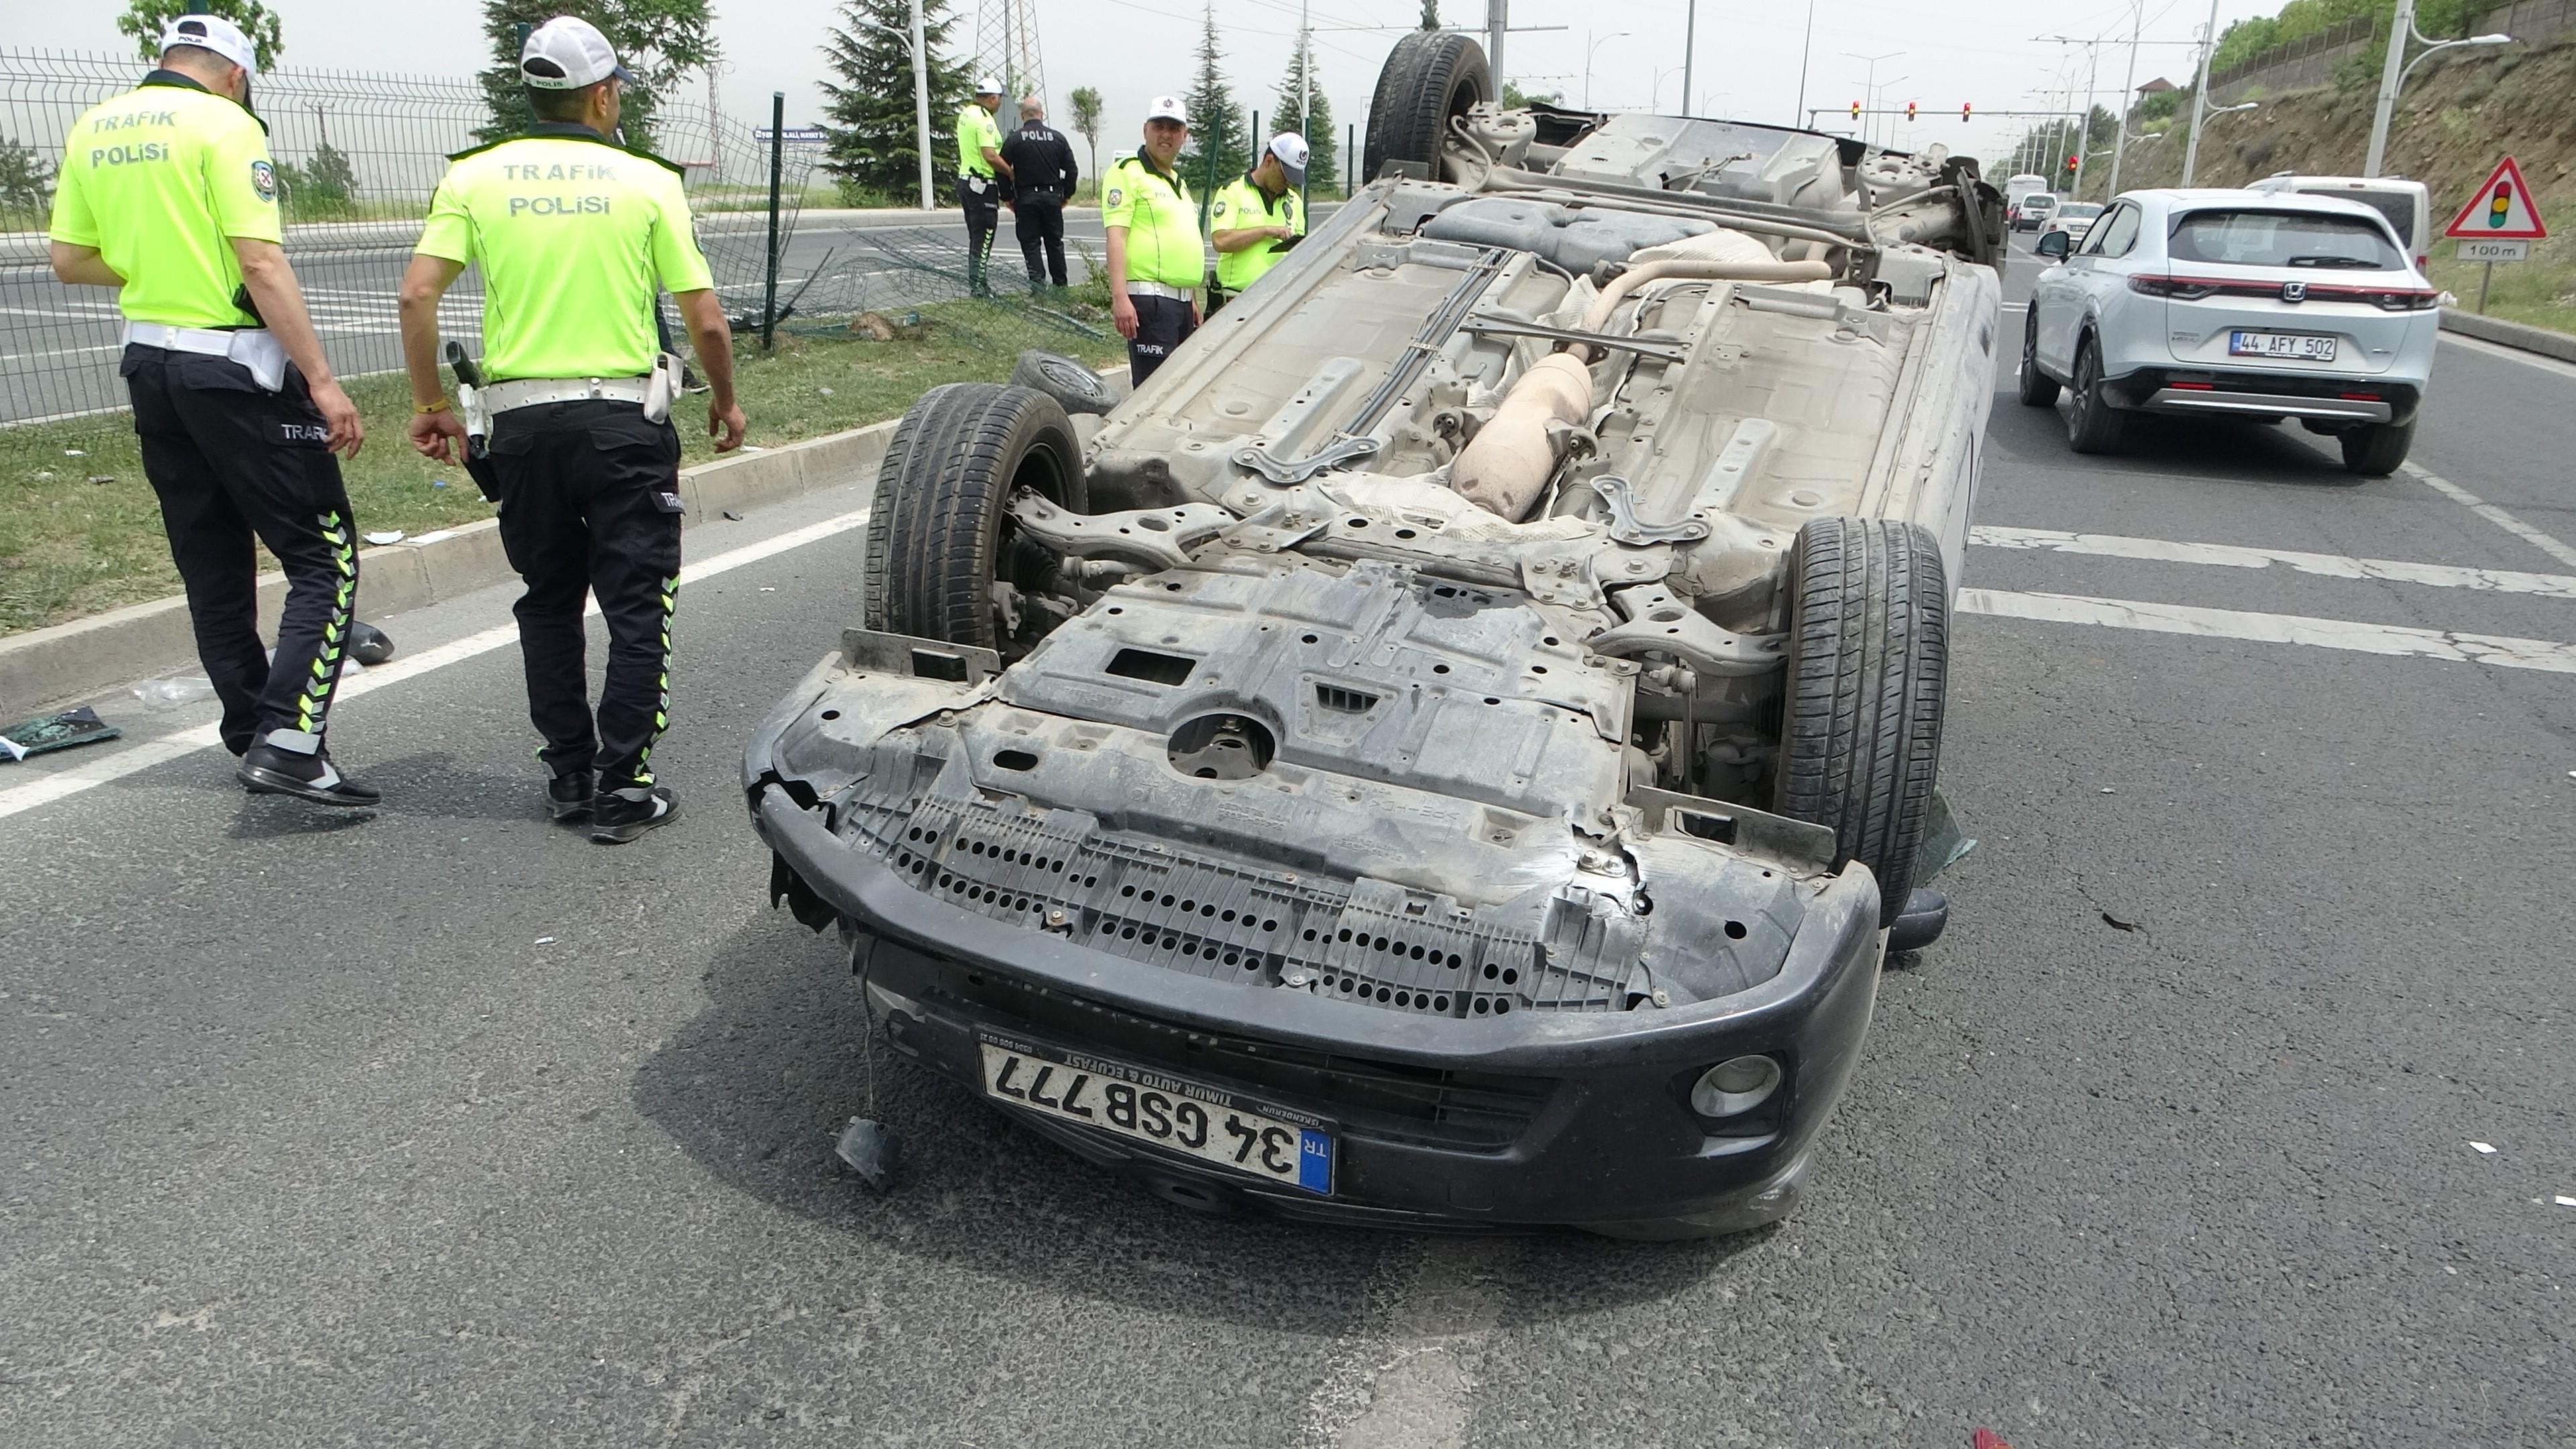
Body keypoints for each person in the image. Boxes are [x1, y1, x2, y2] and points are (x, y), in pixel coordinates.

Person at [395, 15, 745, 844]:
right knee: (637, 603)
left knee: (548, 602)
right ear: (603, 93)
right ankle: (624, 789)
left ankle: (566, 777)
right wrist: (725, 400)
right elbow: (704, 316)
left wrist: (428, 404)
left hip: (519, 428)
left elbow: (416, 296)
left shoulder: (474, 177)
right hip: (623, 423)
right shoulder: (647, 180)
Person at [46, 14, 377, 807]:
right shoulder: (226, 125)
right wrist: (322, 379)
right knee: (323, 559)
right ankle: (292, 743)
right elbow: (259, 260)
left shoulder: (95, 124)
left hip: (150, 365)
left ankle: (251, 733)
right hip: (234, 370)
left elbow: (69, 260)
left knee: (212, 559)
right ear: (236, 73)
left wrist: (161, 260)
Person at [1101, 96, 1201, 386]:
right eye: (1159, 126)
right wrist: (1120, 298)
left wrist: (1190, 296)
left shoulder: (1177, 182)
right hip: (1152, 302)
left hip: (1180, 304)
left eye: (1174, 128)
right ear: (1146, 130)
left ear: (1185, 135)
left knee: (1180, 389)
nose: (1166, 135)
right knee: (1155, 390)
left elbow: (1179, 240)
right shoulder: (1127, 173)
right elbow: (1116, 237)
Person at [1210, 132, 1310, 308]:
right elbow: (1221, 241)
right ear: (1269, 161)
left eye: (1293, 178)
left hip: (1278, 303)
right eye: (1285, 174)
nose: (1288, 182)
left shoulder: (1295, 202)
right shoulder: (1233, 191)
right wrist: (1265, 231)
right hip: (1236, 301)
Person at [998, 95, 1077, 292]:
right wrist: (1067, 194)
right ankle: (1061, 287)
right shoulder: (1057, 138)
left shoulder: (1015, 139)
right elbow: (1072, 169)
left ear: (1023, 115)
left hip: (1026, 199)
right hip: (1052, 198)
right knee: (1054, 243)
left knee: (1031, 243)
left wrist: (1007, 197)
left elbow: (1001, 168)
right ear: (1041, 114)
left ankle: (1038, 287)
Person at [955, 76, 1011, 297]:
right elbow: (990, 155)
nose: (1000, 104)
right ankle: (979, 288)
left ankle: (979, 283)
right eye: (999, 100)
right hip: (982, 184)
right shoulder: (985, 120)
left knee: (975, 236)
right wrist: (1010, 172)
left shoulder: (966, 114)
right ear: (993, 98)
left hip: (965, 181)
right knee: (984, 237)